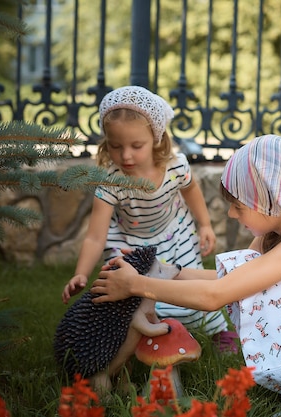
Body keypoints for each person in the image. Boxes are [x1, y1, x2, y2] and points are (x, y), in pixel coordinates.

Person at [91, 134, 281, 403]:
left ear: (274, 200)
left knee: (268, 289)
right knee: (255, 278)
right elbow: (231, 279)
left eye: (239, 205)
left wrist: (135, 286)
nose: (231, 213)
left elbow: (216, 295)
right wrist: (157, 269)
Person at [61, 85, 237, 352]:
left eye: (136, 145)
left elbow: (191, 190)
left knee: (192, 285)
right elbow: (95, 236)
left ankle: (217, 331)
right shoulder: (111, 181)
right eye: (115, 146)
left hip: (175, 233)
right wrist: (80, 274)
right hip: (129, 241)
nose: (126, 155)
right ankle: (137, 341)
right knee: (129, 296)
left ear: (156, 137)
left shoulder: (175, 166)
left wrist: (204, 224)